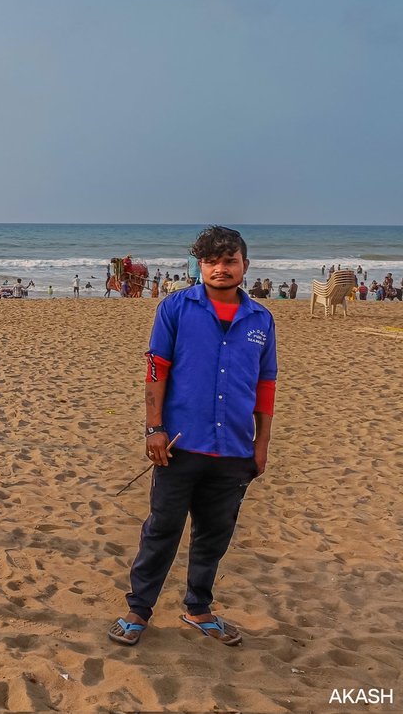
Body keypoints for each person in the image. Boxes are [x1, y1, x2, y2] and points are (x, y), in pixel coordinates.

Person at [109, 226, 276, 648]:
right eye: (212, 262)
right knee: (162, 529)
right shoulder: (176, 308)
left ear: (245, 265)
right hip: (179, 446)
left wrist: (261, 445)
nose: (221, 269)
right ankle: (137, 611)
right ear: (199, 266)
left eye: (230, 260)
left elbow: (266, 386)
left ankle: (198, 608)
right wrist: (154, 428)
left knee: (214, 534)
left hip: (235, 449)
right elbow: (156, 370)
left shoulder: (261, 319)